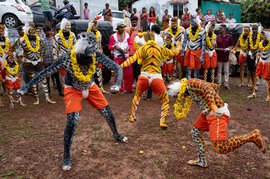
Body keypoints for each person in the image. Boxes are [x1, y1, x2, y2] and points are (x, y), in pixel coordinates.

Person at [17, 32, 128, 171]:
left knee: (107, 112)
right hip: (73, 89)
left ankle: (116, 133)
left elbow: (117, 67)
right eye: (86, 55)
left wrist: (117, 83)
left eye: (91, 55)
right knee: (72, 121)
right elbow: (45, 73)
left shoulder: (95, 55)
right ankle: (66, 155)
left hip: (90, 86)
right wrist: (26, 86)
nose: (89, 59)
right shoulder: (67, 58)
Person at [167, 78, 267, 168]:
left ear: (179, 91)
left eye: (179, 96)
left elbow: (207, 88)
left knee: (220, 147)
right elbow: (215, 86)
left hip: (217, 113)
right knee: (195, 132)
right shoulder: (191, 86)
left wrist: (214, 107)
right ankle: (201, 161)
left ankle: (253, 136)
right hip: (208, 113)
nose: (182, 98)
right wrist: (213, 100)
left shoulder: (191, 84)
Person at [120, 31, 180, 129]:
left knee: (137, 96)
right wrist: (178, 45)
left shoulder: (142, 48)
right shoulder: (160, 48)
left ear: (145, 39)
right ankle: (162, 121)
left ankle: (132, 116)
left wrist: (119, 66)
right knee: (165, 100)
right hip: (156, 77)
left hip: (144, 76)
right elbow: (174, 53)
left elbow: (131, 60)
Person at [10, 23, 56, 105]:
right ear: (27, 31)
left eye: (34, 30)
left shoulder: (39, 39)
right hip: (28, 62)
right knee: (33, 81)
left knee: (44, 79)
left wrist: (41, 58)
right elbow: (13, 48)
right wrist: (19, 56)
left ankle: (47, 98)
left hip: (38, 62)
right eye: (31, 30)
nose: (33, 32)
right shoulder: (22, 40)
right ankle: (36, 98)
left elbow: (43, 49)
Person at [109, 22, 133, 92]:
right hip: (117, 57)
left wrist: (128, 48)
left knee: (128, 73)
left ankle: (128, 88)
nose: (122, 29)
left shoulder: (128, 35)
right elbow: (110, 46)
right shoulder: (113, 36)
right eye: (121, 27)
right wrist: (114, 47)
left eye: (123, 27)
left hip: (126, 57)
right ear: (117, 29)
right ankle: (118, 87)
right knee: (118, 73)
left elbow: (130, 44)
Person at [87, 19, 108, 94]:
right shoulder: (87, 34)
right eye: (94, 24)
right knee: (90, 73)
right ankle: (90, 89)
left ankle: (101, 88)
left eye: (96, 24)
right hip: (90, 56)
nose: (96, 26)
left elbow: (100, 45)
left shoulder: (99, 33)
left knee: (99, 71)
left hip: (98, 55)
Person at [248, 31, 270, 101]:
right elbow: (259, 51)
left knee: (268, 79)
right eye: (262, 35)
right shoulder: (260, 43)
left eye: (264, 35)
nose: (262, 37)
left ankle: (268, 95)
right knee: (257, 77)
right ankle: (254, 93)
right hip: (261, 61)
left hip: (268, 62)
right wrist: (256, 58)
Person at [55, 18, 76, 88]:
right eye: (68, 25)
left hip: (71, 58)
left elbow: (75, 46)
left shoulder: (72, 35)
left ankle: (72, 87)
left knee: (72, 73)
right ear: (63, 26)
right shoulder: (57, 36)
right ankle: (64, 89)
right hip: (62, 59)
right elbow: (55, 48)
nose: (70, 27)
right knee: (63, 74)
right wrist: (56, 59)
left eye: (70, 25)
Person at [42, 25, 63, 96]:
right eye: (47, 31)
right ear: (44, 32)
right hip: (46, 62)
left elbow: (58, 50)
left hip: (54, 62)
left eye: (50, 30)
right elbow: (41, 52)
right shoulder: (42, 41)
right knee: (47, 78)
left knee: (57, 77)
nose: (49, 32)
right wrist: (44, 62)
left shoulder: (55, 40)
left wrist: (57, 60)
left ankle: (60, 91)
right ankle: (48, 92)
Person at [216, 24, 233, 89]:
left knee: (226, 71)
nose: (219, 29)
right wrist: (219, 49)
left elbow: (231, 45)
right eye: (219, 28)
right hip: (219, 56)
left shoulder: (229, 36)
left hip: (226, 56)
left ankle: (226, 84)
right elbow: (215, 46)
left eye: (221, 28)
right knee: (219, 71)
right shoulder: (217, 37)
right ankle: (219, 83)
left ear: (224, 29)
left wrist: (228, 48)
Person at [125, 16, 141, 85]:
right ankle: (132, 82)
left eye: (135, 22)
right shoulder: (127, 30)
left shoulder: (140, 30)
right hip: (130, 52)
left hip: (137, 52)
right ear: (131, 22)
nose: (134, 23)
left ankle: (137, 82)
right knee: (131, 69)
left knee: (137, 68)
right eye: (133, 22)